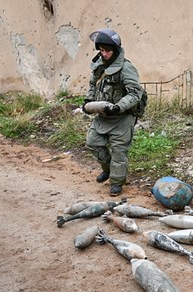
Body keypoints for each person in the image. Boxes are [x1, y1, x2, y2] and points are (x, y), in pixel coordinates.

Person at [83, 28, 146, 196]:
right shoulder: (99, 66)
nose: (104, 54)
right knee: (93, 142)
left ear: (115, 49)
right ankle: (108, 169)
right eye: (101, 50)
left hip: (122, 117)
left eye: (107, 50)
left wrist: (118, 107)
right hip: (103, 115)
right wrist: (88, 102)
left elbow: (135, 93)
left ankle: (117, 182)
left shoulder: (126, 68)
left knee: (119, 152)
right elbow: (92, 85)